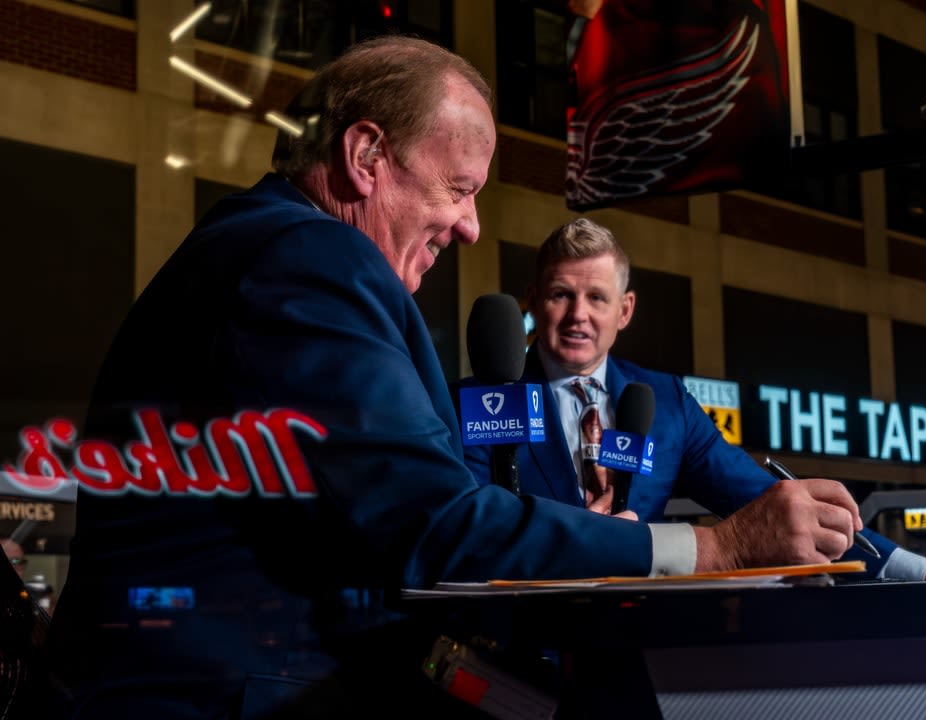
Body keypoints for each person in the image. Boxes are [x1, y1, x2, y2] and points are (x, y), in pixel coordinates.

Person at [39, 35, 782, 720]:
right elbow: (436, 522)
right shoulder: (310, 257)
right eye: (459, 187)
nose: (470, 226)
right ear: (365, 156)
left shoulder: (262, 244)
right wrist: (706, 551)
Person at [459, 217, 926, 583]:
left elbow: (770, 502)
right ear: (533, 301)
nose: (580, 315)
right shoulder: (483, 402)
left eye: (596, 298)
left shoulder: (666, 404)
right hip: (513, 651)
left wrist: (924, 572)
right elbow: (463, 531)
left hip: (629, 648)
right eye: (561, 294)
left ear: (624, 311)